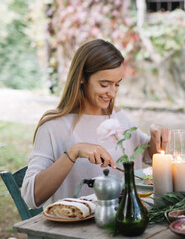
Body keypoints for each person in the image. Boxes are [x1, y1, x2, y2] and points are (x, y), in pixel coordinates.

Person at [22, 39, 170, 209]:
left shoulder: (116, 117)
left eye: (117, 84)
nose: (112, 93)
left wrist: (154, 134)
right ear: (82, 78)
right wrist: (73, 152)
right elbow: (30, 197)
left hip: (127, 220)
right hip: (79, 228)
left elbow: (149, 155)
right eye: (104, 84)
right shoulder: (53, 127)